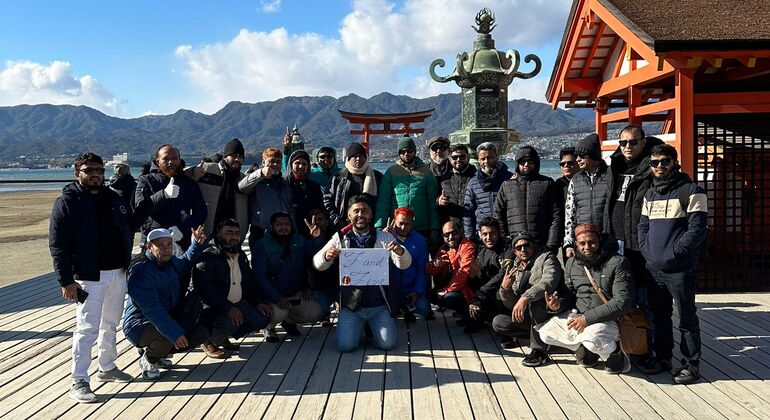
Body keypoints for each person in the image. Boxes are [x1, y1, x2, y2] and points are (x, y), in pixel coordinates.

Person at [49, 153, 138, 403]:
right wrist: (66, 280)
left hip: (117, 272)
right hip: (89, 276)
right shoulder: (67, 202)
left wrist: (158, 198)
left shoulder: (113, 198)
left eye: (99, 170)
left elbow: (130, 225)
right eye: (89, 170)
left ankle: (107, 367)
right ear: (78, 173)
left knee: (111, 323)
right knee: (86, 328)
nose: (96, 174)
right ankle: (78, 379)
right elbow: (58, 245)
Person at [638, 144, 707, 385]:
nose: (659, 166)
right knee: (660, 316)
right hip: (654, 267)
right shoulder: (650, 194)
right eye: (654, 162)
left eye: (665, 161)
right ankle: (664, 357)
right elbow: (643, 227)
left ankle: (691, 364)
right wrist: (646, 249)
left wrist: (676, 252)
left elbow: (697, 230)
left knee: (686, 317)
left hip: (680, 267)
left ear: (675, 163)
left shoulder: (692, 190)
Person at [314, 196, 411, 352]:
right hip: (351, 307)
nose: (360, 215)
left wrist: (400, 252)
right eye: (356, 211)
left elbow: (405, 264)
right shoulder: (340, 238)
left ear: (371, 215)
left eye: (364, 211)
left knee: (387, 344)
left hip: (379, 306)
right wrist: (326, 257)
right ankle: (361, 327)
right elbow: (317, 263)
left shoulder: (384, 237)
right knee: (345, 346)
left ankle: (370, 327)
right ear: (349, 215)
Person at [538, 224, 634, 374]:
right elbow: (569, 294)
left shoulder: (617, 262)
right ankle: (588, 350)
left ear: (600, 241)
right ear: (576, 244)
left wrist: (586, 319)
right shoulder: (571, 263)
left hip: (608, 318)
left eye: (592, 242)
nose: (587, 247)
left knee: (593, 341)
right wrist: (557, 305)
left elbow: (622, 302)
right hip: (579, 315)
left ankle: (615, 354)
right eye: (582, 243)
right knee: (546, 334)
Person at [123, 226, 209, 380]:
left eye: (169, 245)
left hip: (166, 318)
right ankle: (149, 360)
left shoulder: (170, 261)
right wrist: (174, 333)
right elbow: (153, 310)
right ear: (149, 247)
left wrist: (195, 243)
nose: (166, 249)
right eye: (160, 246)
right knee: (167, 336)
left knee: (200, 333)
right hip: (139, 324)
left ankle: (160, 354)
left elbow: (186, 260)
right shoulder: (140, 272)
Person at [193, 219, 272, 358]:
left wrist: (259, 302)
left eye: (237, 233)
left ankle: (222, 336)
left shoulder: (240, 255)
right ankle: (208, 340)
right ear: (218, 235)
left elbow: (249, 283)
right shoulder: (207, 256)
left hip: (235, 304)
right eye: (229, 233)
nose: (234, 237)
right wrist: (228, 308)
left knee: (263, 318)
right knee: (230, 321)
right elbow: (205, 291)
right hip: (211, 309)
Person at [252, 212, 324, 342]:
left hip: (295, 293)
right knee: (277, 312)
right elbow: (260, 277)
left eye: (286, 224)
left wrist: (316, 238)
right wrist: (276, 298)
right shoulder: (261, 245)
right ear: (271, 226)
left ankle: (288, 321)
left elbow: (317, 256)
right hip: (272, 297)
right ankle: (269, 327)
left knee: (316, 312)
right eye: (279, 224)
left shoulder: (300, 240)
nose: (283, 227)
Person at [491, 232, 563, 364]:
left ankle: (539, 350)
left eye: (526, 245)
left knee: (536, 302)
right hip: (529, 314)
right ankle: (531, 338)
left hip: (552, 308)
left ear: (533, 246)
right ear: (514, 251)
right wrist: (505, 289)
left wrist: (525, 297)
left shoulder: (547, 258)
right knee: (499, 322)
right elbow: (511, 305)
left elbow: (549, 282)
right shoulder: (515, 266)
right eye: (518, 248)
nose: (523, 250)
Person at [134, 144, 208, 251]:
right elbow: (140, 209)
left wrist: (182, 229)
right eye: (166, 158)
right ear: (158, 161)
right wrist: (163, 195)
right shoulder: (146, 181)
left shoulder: (189, 184)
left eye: (174, 158)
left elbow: (201, 212)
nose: (171, 162)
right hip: (153, 243)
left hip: (181, 243)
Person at [375, 134, 440, 246]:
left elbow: (432, 203)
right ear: (399, 153)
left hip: (421, 226)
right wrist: (379, 226)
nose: (406, 154)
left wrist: (435, 228)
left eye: (409, 151)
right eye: (403, 151)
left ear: (414, 151)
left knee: (420, 261)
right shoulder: (391, 172)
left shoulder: (426, 172)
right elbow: (383, 201)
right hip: (397, 227)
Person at [494, 145, 562, 250]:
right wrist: (505, 239)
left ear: (536, 163)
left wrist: (552, 243)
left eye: (530, 161)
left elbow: (556, 215)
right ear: (517, 164)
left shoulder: (547, 184)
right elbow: (498, 214)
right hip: (515, 245)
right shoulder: (507, 185)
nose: (526, 165)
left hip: (542, 244)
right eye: (522, 162)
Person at [186, 138, 249, 241]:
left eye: (240, 157)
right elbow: (182, 177)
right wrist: (193, 172)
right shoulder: (207, 169)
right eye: (233, 156)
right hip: (207, 231)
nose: (237, 159)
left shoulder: (243, 179)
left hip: (233, 234)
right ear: (225, 157)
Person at [425, 221, 478, 333]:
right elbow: (429, 270)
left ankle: (475, 319)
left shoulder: (468, 247)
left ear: (461, 232)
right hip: (456, 287)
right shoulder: (445, 248)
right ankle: (465, 315)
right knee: (430, 295)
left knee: (450, 297)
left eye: (454, 233)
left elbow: (463, 274)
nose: (450, 237)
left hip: (470, 289)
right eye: (446, 235)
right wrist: (435, 265)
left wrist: (446, 290)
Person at [238, 147, 294, 249]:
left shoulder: (284, 183)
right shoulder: (257, 182)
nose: (275, 164)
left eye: (278, 162)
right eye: (272, 161)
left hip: (282, 232)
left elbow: (290, 208)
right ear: (263, 162)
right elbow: (241, 187)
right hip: (261, 232)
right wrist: (260, 173)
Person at [563, 134, 609, 258]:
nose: (577, 159)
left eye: (582, 156)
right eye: (576, 156)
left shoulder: (610, 176)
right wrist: (569, 243)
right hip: (583, 241)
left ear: (593, 156)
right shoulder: (575, 179)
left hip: (606, 239)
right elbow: (570, 213)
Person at [324, 142, 383, 230]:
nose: (358, 159)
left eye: (361, 156)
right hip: (343, 224)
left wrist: (379, 223)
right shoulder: (338, 178)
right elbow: (327, 200)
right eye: (354, 156)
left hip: (371, 225)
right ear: (349, 158)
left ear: (366, 157)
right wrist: (337, 220)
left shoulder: (377, 176)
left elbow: (384, 200)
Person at [389, 207, 432, 320]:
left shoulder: (421, 241)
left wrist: (417, 292)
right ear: (394, 222)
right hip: (391, 289)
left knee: (425, 309)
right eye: (400, 223)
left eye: (407, 224)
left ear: (412, 223)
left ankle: (406, 308)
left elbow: (422, 270)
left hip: (411, 288)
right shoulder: (386, 237)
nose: (403, 227)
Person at [463, 142, 511, 242]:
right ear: (478, 160)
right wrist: (470, 236)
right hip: (483, 234)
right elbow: (468, 210)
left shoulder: (509, 179)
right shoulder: (473, 182)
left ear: (497, 157)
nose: (486, 161)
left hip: (505, 231)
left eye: (490, 157)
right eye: (483, 159)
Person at [468, 217, 508, 326]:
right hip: (487, 292)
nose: (488, 238)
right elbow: (479, 279)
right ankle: (479, 319)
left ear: (499, 232)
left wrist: (481, 293)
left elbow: (503, 274)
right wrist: (471, 277)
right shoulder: (482, 252)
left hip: (504, 291)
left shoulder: (506, 248)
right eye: (485, 234)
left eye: (492, 233)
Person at [285, 150, 325, 238]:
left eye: (304, 164)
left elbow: (319, 207)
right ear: (291, 164)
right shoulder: (283, 185)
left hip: (311, 231)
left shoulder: (315, 186)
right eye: (297, 163)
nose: (301, 166)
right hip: (288, 231)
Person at [437, 144, 477, 224]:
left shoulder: (477, 177)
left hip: (473, 225)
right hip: (451, 227)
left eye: (462, 157)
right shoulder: (444, 178)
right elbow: (435, 198)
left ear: (468, 158)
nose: (458, 160)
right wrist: (439, 201)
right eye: (455, 157)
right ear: (449, 159)